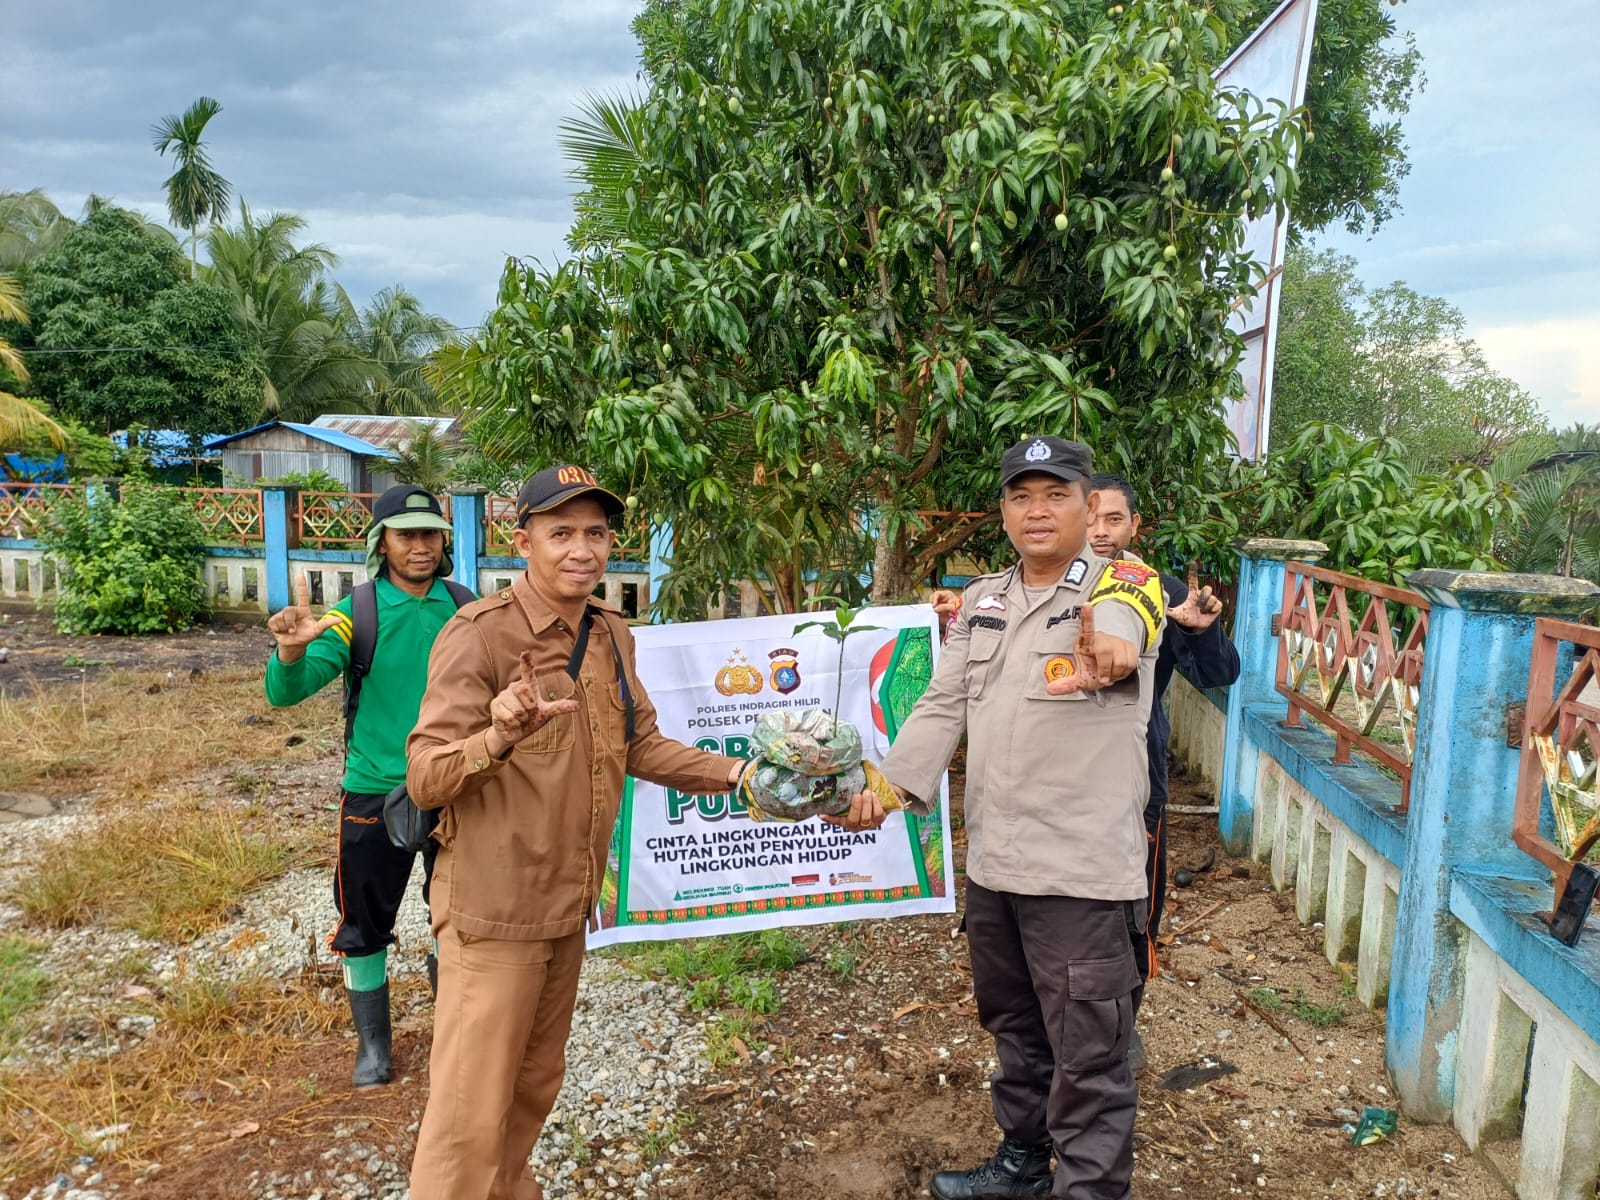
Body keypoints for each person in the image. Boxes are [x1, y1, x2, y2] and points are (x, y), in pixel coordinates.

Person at [404, 464, 747, 1200]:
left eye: (596, 533)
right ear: (522, 541)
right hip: (494, 912)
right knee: (468, 1119)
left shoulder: (609, 633)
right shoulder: (480, 635)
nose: (582, 550)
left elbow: (641, 745)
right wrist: (497, 736)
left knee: (530, 1090)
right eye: (561, 533)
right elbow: (427, 777)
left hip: (567, 907)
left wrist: (742, 775)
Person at [838, 436, 1166, 1200]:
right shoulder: (985, 599)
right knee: (1017, 1035)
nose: (1037, 511)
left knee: (1089, 1061)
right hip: (995, 870)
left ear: (1088, 505)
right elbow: (943, 702)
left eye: (1055, 494)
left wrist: (1114, 649)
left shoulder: (1125, 584)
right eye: (1022, 496)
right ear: (1004, 510)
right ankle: (1022, 1166)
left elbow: (1125, 624)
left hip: (1080, 878)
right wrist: (887, 791)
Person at [264, 484, 469, 1089]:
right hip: (375, 789)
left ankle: (455, 1034)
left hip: (457, 787)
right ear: (382, 543)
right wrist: (289, 652)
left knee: (457, 912)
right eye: (406, 535)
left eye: (430, 534)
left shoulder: (466, 607)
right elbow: (285, 694)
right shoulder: (356, 613)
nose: (421, 546)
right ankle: (373, 1046)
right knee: (364, 921)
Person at [1085, 472, 1240, 1074]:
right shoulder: (1045, 586)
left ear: (1135, 526)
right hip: (1056, 779)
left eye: (1113, 519)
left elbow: (1218, 674)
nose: (1100, 532)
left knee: (1134, 903)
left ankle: (1123, 1024)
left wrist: (1202, 629)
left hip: (1135, 780)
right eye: (1090, 517)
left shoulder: (1161, 591)